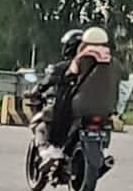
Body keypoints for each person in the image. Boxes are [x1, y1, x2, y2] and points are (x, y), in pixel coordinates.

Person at [30, 26, 114, 161]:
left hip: (76, 107)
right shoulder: (110, 63)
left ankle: (52, 149)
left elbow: (52, 81)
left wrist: (36, 91)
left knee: (46, 121)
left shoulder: (71, 64)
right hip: (107, 109)